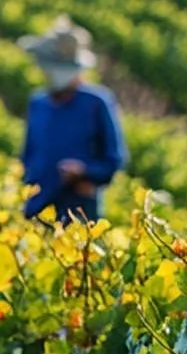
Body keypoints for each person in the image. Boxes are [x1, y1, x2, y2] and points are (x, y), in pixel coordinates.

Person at [16, 16, 126, 222]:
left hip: (78, 209)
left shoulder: (97, 102)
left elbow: (114, 159)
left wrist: (85, 172)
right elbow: (28, 153)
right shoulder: (38, 103)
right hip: (37, 207)